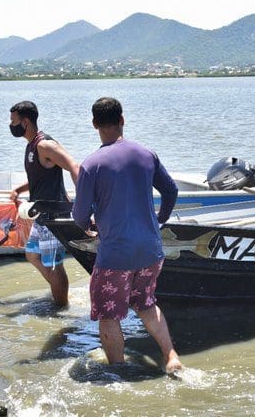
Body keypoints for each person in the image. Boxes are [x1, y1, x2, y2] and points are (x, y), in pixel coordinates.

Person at [72, 97, 183, 374]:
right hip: (150, 251)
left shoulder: (91, 165)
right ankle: (171, 357)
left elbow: (79, 215)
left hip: (115, 256)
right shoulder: (147, 154)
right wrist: (159, 220)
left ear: (94, 124)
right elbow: (170, 191)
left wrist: (90, 225)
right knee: (146, 304)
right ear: (122, 119)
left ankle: (119, 371)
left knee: (108, 314)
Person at [9, 100, 78, 308]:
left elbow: (74, 166)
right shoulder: (31, 146)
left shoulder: (45, 145)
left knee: (54, 265)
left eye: (13, 121)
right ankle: (61, 293)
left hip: (54, 215)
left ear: (26, 121)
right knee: (32, 254)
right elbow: (39, 177)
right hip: (41, 214)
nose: (11, 125)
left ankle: (61, 307)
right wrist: (18, 190)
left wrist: (85, 202)